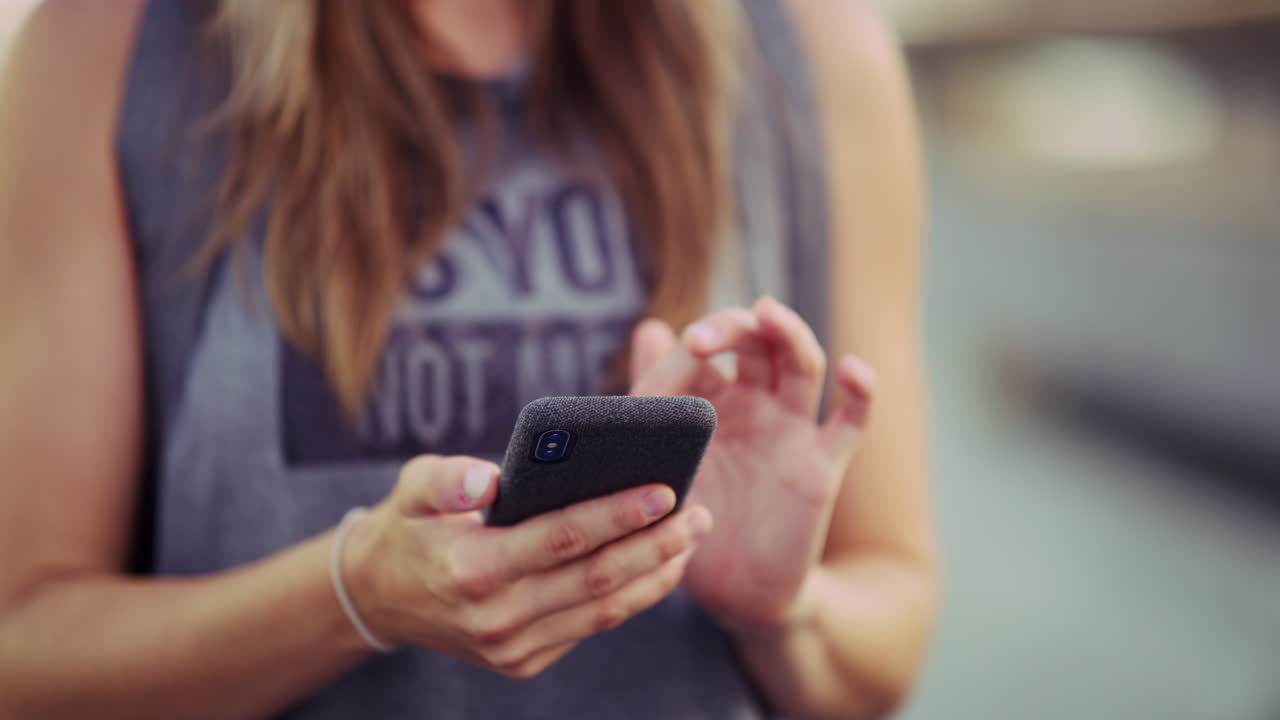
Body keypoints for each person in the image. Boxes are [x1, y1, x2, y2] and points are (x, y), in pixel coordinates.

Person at [0, 0, 935, 717]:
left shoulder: (811, 51)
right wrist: (356, 594)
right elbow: (26, 650)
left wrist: (782, 611)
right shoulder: (115, 48)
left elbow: (884, 642)